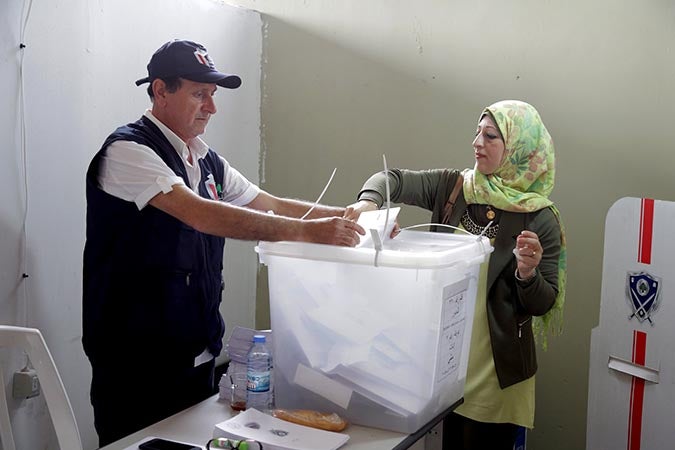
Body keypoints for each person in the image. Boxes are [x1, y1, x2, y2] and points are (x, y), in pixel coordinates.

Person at [82, 39, 365, 446]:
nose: (211, 108)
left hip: (195, 350)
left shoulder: (206, 159)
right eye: (199, 94)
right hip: (136, 360)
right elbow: (199, 213)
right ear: (160, 90)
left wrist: (348, 216)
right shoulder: (128, 150)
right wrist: (306, 233)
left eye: (212, 95)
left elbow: (270, 204)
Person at [345, 100, 566, 450]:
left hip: (496, 381)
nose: (477, 142)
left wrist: (528, 273)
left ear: (519, 149)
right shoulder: (454, 187)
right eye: (477, 132)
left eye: (490, 136)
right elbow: (392, 179)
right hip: (439, 372)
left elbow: (543, 303)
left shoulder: (540, 218)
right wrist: (368, 203)